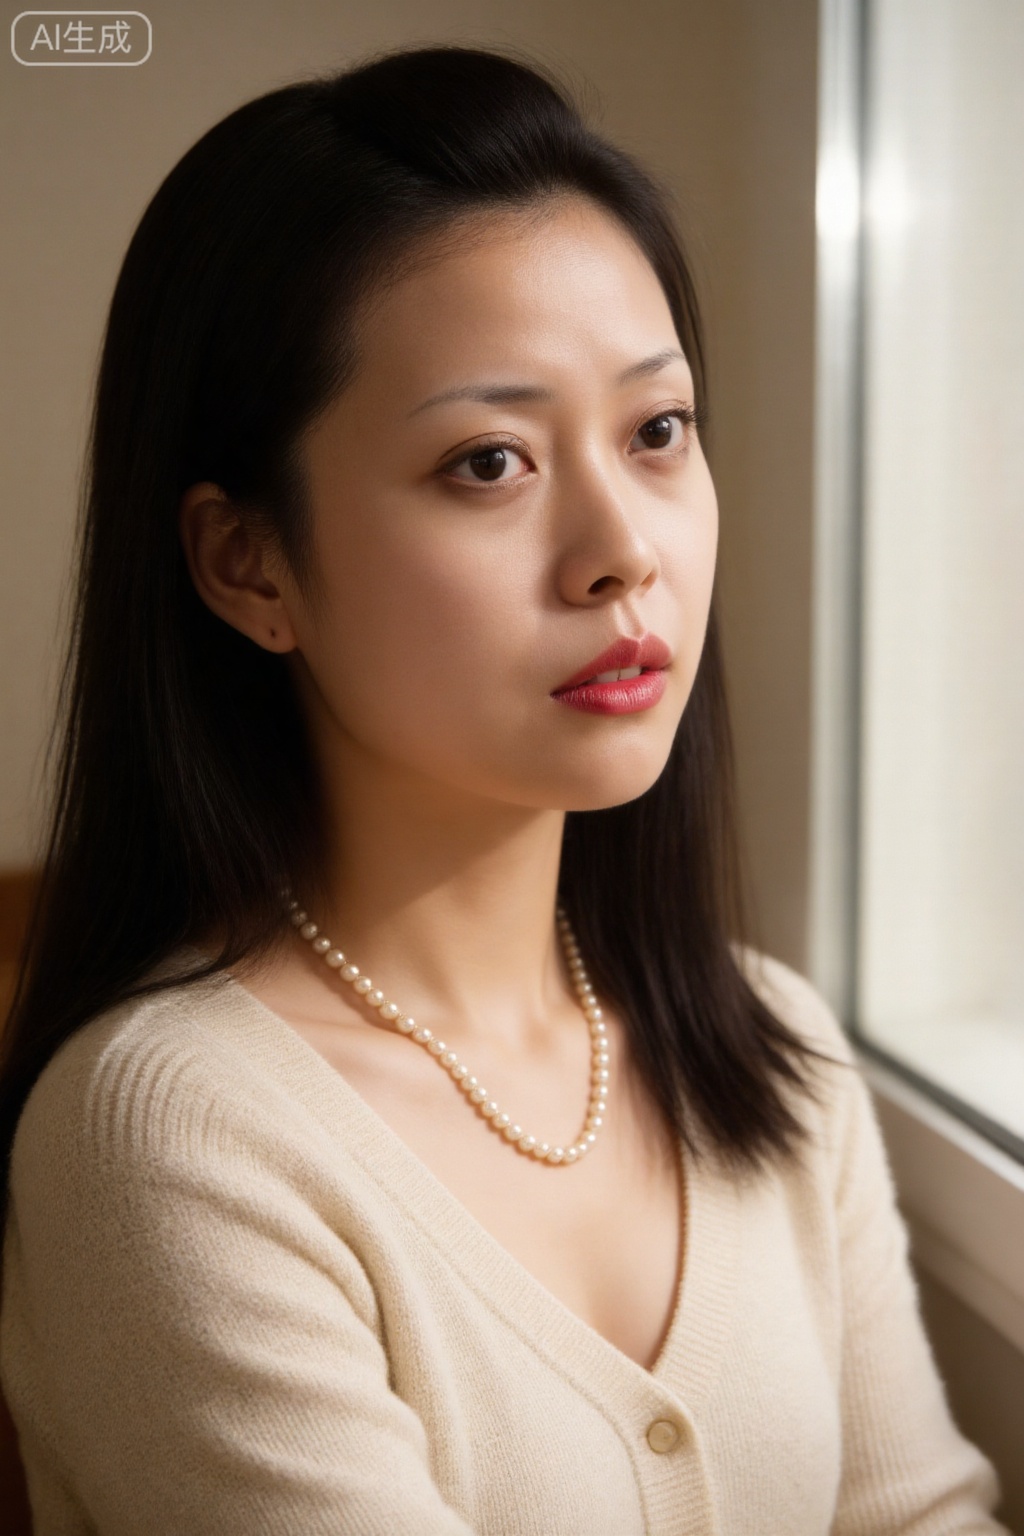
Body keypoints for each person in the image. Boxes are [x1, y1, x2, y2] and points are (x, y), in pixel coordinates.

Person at [0, 44, 1006, 1536]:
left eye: (658, 430)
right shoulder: (173, 1136)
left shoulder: (769, 1049)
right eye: (488, 462)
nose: (622, 548)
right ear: (247, 562)